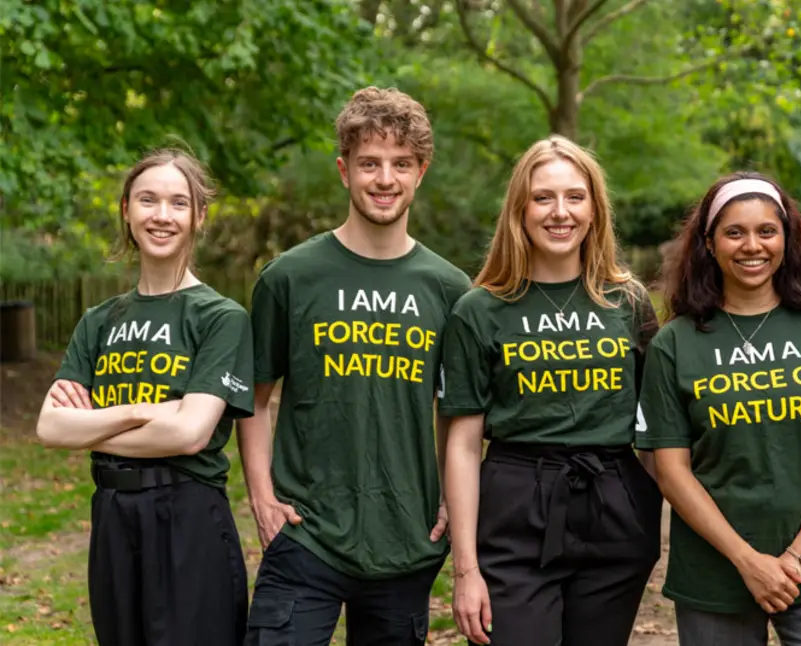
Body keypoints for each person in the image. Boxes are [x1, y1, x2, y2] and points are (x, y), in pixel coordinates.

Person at [239, 87, 471, 645]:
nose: (385, 179)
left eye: (401, 164)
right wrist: (262, 496)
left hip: (405, 538)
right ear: (344, 170)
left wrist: (448, 498)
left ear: (421, 172)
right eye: (370, 163)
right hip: (306, 534)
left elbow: (457, 413)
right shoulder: (289, 278)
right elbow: (256, 396)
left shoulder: (450, 289)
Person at [440, 135, 663, 646]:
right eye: (543, 198)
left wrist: (646, 514)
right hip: (515, 505)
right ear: (520, 209)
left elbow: (657, 428)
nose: (559, 212)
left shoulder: (627, 302)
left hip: (613, 502)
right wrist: (466, 569)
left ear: (594, 209)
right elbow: (463, 442)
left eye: (574, 197)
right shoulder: (480, 309)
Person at [636, 172, 801, 645]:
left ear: (787, 238)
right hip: (713, 571)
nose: (752, 246)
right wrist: (748, 561)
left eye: (767, 231)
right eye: (734, 232)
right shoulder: (674, 344)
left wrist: (799, 556)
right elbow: (671, 472)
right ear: (708, 243)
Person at [35, 149, 254, 646]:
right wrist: (138, 412)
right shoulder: (99, 320)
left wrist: (94, 425)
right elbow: (50, 428)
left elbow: (190, 432)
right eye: (147, 200)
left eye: (178, 203)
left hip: (188, 515)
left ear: (199, 216)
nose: (161, 215)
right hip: (112, 514)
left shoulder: (220, 317)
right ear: (126, 211)